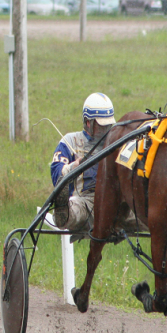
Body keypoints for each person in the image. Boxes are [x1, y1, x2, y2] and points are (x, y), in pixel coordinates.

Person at [50, 92, 115, 232]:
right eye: (101, 126)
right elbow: (56, 174)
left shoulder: (116, 142)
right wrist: (75, 166)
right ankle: (63, 212)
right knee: (76, 209)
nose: (106, 130)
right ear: (88, 122)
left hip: (113, 200)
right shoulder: (70, 141)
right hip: (84, 201)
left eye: (108, 126)